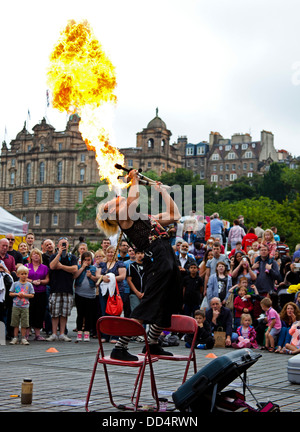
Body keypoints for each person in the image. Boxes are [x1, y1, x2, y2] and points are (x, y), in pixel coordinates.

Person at [95, 168, 182, 361]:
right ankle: (120, 346)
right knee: (148, 305)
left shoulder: (145, 218)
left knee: (169, 301)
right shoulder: (124, 219)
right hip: (157, 259)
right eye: (111, 201)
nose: (117, 198)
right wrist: (133, 180)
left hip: (167, 255)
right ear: (110, 213)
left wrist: (162, 191)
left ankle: (152, 344)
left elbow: (174, 215)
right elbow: (132, 200)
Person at [47, 237, 78, 342]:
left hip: (67, 289)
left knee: (64, 313)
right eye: (61, 244)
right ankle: (54, 333)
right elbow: (52, 266)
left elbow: (74, 269)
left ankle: (62, 333)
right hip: (55, 289)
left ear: (68, 245)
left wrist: (61, 266)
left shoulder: (72, 257)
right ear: (57, 246)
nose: (63, 246)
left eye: (65, 244)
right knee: (55, 313)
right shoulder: (53, 256)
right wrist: (59, 254)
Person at [96, 245, 126, 343]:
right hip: (104, 292)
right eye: (108, 252)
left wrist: (111, 278)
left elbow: (122, 276)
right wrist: (103, 277)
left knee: (115, 313)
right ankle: (105, 334)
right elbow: (97, 275)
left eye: (112, 252)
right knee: (104, 313)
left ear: (115, 253)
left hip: (116, 292)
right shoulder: (102, 264)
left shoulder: (120, 263)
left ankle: (115, 336)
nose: (110, 254)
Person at [26, 248, 49, 341]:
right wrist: (32, 281)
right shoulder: (26, 266)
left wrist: (41, 281)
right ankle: (26, 333)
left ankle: (37, 334)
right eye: (34, 254)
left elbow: (47, 280)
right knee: (28, 312)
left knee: (39, 312)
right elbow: (22, 277)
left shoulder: (44, 267)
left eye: (38, 254)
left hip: (41, 292)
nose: (36, 256)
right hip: (29, 293)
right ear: (31, 256)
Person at [74, 251, 97, 342]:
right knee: (80, 314)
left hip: (90, 294)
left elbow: (97, 280)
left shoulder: (94, 268)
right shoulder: (79, 267)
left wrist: (91, 276)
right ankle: (79, 332)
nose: (87, 262)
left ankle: (87, 332)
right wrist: (82, 267)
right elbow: (74, 276)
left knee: (88, 314)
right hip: (79, 293)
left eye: (88, 260)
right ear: (82, 260)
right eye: (85, 260)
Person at [9, 265, 35, 345]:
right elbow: (10, 293)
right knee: (15, 322)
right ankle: (15, 337)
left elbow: (32, 295)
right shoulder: (15, 283)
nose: (24, 275)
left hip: (25, 306)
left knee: (24, 323)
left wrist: (24, 295)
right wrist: (17, 294)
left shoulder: (29, 285)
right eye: (22, 274)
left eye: (25, 274)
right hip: (16, 306)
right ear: (18, 275)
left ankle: (23, 338)